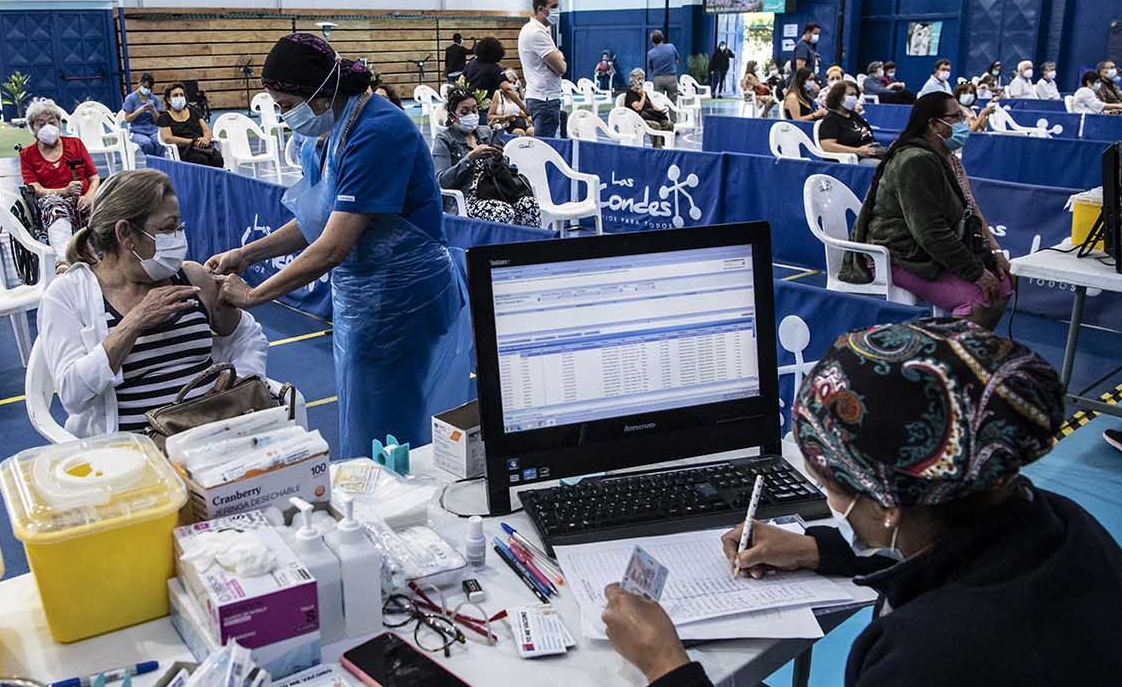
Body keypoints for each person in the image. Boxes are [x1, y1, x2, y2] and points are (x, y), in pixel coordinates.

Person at [602, 318, 1122, 687]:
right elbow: (949, 543)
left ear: (889, 504)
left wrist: (666, 665)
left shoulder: (929, 656)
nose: (831, 501)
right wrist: (815, 550)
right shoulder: (1062, 523)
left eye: (833, 488)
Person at [205, 33, 473, 460]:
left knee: (393, 431)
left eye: (285, 104)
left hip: (403, 300)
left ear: (318, 94)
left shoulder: (379, 132)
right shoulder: (325, 133)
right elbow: (317, 221)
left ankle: (399, 512)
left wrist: (254, 294)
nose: (281, 115)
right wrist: (247, 254)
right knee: (366, 417)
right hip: (366, 297)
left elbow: (332, 246)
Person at [38, 169, 268, 437]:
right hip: (131, 456)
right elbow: (73, 395)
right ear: (125, 233)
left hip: (211, 437)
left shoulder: (191, 278)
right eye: (168, 228)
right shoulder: (67, 295)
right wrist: (134, 323)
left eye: (179, 227)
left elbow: (248, 337)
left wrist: (243, 375)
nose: (178, 238)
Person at [839, 92, 1013, 329]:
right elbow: (930, 233)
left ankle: (966, 348)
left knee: (1004, 284)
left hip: (927, 251)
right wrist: (976, 273)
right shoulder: (916, 161)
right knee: (981, 299)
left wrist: (996, 253)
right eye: (956, 117)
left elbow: (971, 209)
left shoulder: (949, 159)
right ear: (933, 124)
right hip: (899, 255)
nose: (964, 124)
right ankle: (946, 357)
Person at [432, 85, 541, 227]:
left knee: (529, 205)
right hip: (466, 198)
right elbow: (442, 181)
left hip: (495, 191)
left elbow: (503, 170)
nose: (471, 115)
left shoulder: (486, 133)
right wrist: (470, 158)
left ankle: (530, 246)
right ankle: (501, 249)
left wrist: (498, 158)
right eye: (464, 112)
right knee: (503, 212)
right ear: (452, 117)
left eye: (474, 110)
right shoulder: (444, 140)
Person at [19, 99, 102, 267]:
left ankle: (100, 257)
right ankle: (64, 259)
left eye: (52, 122)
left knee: (98, 212)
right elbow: (35, 188)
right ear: (32, 129)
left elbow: (94, 178)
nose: (47, 127)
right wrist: (63, 191)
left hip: (82, 199)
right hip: (53, 200)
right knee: (54, 205)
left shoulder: (75, 144)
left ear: (59, 123)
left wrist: (88, 196)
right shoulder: (27, 154)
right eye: (40, 124)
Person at [518, 0, 567, 138]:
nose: (557, 11)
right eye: (553, 7)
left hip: (541, 97)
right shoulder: (536, 33)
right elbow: (561, 68)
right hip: (545, 100)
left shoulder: (539, 30)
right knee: (545, 148)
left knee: (543, 146)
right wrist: (560, 57)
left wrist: (559, 56)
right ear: (540, 9)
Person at [157, 83, 223, 167]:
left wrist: (205, 139)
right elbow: (168, 138)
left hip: (202, 146)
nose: (179, 98)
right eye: (175, 95)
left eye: (181, 95)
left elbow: (207, 130)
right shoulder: (164, 118)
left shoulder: (194, 112)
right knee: (202, 160)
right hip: (184, 150)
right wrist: (192, 142)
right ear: (168, 99)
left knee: (217, 159)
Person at [818, 81, 884, 165]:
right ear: (838, 97)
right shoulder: (831, 119)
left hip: (873, 152)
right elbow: (827, 146)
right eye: (851, 94)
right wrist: (857, 151)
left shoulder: (853, 115)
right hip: (853, 160)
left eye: (855, 95)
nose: (854, 98)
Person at [462, 37, 517, 124]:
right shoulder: (495, 68)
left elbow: (461, 81)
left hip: (469, 109)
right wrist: (523, 106)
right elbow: (507, 89)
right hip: (485, 110)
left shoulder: (471, 63)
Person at [623, 69, 674, 148]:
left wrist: (660, 110)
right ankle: (657, 148)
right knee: (655, 125)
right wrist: (643, 95)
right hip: (638, 118)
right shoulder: (631, 93)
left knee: (669, 124)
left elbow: (651, 106)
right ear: (632, 79)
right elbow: (639, 108)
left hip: (649, 116)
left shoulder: (643, 92)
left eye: (642, 78)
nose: (641, 81)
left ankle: (665, 146)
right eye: (638, 78)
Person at [122, 72, 166, 159]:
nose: (147, 90)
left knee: (160, 142)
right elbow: (127, 119)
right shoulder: (131, 98)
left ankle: (160, 162)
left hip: (153, 130)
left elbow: (158, 121)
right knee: (147, 143)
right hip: (137, 130)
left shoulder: (154, 98)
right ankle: (152, 163)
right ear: (140, 83)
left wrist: (153, 110)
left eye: (149, 88)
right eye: (145, 87)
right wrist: (139, 111)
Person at [490, 68, 532, 135]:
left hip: (518, 123)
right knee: (519, 133)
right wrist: (505, 117)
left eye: (513, 83)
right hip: (504, 125)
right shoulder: (498, 94)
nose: (511, 85)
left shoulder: (517, 94)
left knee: (532, 131)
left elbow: (524, 113)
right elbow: (490, 116)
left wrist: (524, 115)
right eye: (509, 82)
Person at [647, 31, 681, 101]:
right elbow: (677, 61)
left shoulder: (650, 53)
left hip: (658, 79)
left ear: (652, 41)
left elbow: (650, 69)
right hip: (671, 78)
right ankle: (673, 112)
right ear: (662, 38)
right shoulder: (671, 47)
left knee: (658, 102)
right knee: (673, 102)